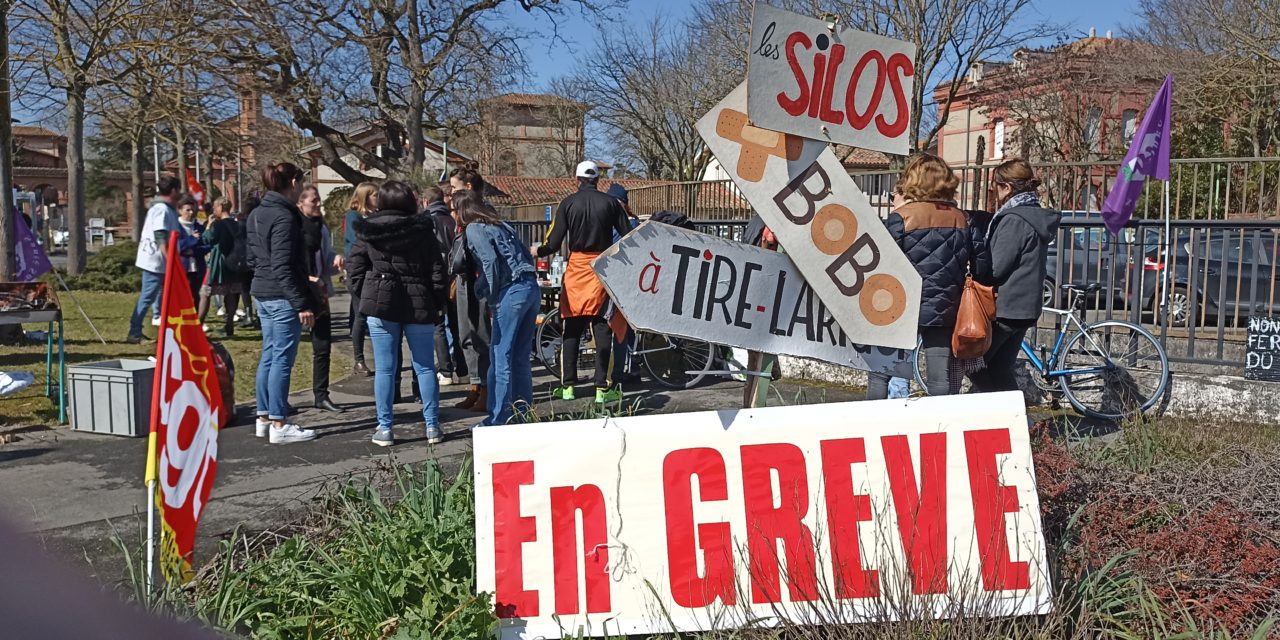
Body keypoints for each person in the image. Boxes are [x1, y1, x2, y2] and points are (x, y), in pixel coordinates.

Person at [348, 181, 449, 446]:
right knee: (425, 366)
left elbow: (355, 268)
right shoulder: (423, 230)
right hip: (419, 301)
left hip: (381, 302)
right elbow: (438, 270)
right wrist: (437, 301)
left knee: (385, 368)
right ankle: (432, 426)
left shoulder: (368, 230)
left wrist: (365, 294)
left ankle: (385, 428)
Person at [866, 153, 971, 399]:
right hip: (944, 306)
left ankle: (874, 426)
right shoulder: (961, 218)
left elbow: (881, 262)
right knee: (938, 378)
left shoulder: (901, 218)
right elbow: (983, 265)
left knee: (881, 372)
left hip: (900, 305)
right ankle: (939, 430)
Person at [536, 161, 632, 403]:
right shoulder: (611, 203)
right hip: (602, 268)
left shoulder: (567, 203)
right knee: (602, 327)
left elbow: (554, 241)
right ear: (597, 179)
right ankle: (602, 389)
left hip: (577, 270)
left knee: (572, 329)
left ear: (576, 179)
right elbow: (628, 235)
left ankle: (567, 386)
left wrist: (539, 251)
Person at [970, 158, 1062, 393]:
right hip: (1026, 306)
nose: (994, 192)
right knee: (1000, 367)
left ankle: (998, 418)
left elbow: (997, 267)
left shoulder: (1014, 219)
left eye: (995, 186)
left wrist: (975, 269)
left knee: (973, 364)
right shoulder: (1034, 216)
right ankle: (1013, 421)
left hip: (1006, 307)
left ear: (1007, 188)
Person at [247, 163, 320, 444]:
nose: (301, 188)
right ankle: (278, 422)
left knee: (269, 354)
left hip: (263, 291)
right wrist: (302, 302)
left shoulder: (257, 213)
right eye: (301, 183)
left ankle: (264, 416)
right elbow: (282, 264)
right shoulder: (284, 216)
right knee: (281, 359)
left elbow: (254, 257)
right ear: (292, 182)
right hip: (280, 294)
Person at [454, 189, 540, 426]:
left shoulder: (473, 229)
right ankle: (523, 413)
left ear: (461, 210)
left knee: (500, 356)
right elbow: (524, 254)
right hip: (530, 288)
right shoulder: (502, 224)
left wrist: (487, 293)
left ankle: (498, 418)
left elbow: (490, 261)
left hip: (510, 292)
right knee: (520, 357)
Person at [127, 175, 194, 343]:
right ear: (173, 191)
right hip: (155, 261)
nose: (180, 193)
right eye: (178, 190)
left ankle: (167, 328)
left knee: (163, 295)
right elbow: (160, 236)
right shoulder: (161, 209)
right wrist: (171, 258)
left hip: (162, 262)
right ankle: (134, 332)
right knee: (148, 296)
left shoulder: (167, 208)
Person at [298, 185, 344, 413]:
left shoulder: (322, 228)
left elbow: (324, 259)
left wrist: (335, 260)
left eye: (318, 201)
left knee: (323, 345)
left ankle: (321, 394)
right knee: (285, 350)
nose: (318, 205)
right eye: (313, 201)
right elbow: (289, 265)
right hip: (298, 293)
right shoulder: (294, 227)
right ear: (300, 203)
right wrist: (309, 278)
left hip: (321, 294)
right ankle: (276, 401)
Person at [448, 168, 490, 412]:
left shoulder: (481, 216)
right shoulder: (461, 217)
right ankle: (475, 387)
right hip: (465, 281)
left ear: (468, 187)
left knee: (481, 336)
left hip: (478, 282)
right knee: (467, 336)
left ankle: (485, 389)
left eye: (455, 188)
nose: (451, 192)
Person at [423, 184, 466, 388]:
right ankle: (463, 370)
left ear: (425, 201)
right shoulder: (451, 219)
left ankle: (445, 370)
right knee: (457, 325)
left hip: (436, 277)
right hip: (454, 279)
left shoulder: (427, 220)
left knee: (438, 326)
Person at [605, 184, 640, 383]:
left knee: (619, 327)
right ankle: (633, 368)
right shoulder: (632, 222)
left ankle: (618, 372)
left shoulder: (618, 224)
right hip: (630, 280)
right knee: (630, 328)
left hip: (621, 280)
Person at [343, 182, 378, 377]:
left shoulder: (375, 215)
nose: (377, 199)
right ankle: (359, 359)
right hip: (359, 271)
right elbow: (356, 240)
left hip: (374, 270)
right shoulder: (353, 216)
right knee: (360, 315)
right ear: (365, 197)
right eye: (374, 195)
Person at [196, 198, 244, 336]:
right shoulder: (238, 224)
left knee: (205, 293)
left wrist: (208, 226)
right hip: (235, 264)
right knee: (231, 294)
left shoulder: (218, 225)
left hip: (218, 263)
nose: (214, 210)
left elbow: (207, 239)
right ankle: (229, 325)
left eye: (215, 207)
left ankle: (199, 324)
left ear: (221, 207)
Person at [175, 196, 209, 298]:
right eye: (187, 210)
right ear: (180, 210)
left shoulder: (199, 227)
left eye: (192, 210)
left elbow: (207, 246)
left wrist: (194, 252)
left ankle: (196, 314)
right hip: (181, 268)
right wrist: (192, 239)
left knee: (195, 297)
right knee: (182, 297)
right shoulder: (175, 227)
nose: (191, 213)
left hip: (197, 269)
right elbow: (176, 246)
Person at [236, 195, 261, 329]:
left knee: (245, 288)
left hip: (245, 257)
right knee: (255, 287)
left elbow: (238, 240)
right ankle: (259, 315)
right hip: (257, 257)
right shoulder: (260, 221)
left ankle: (249, 314)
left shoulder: (242, 222)